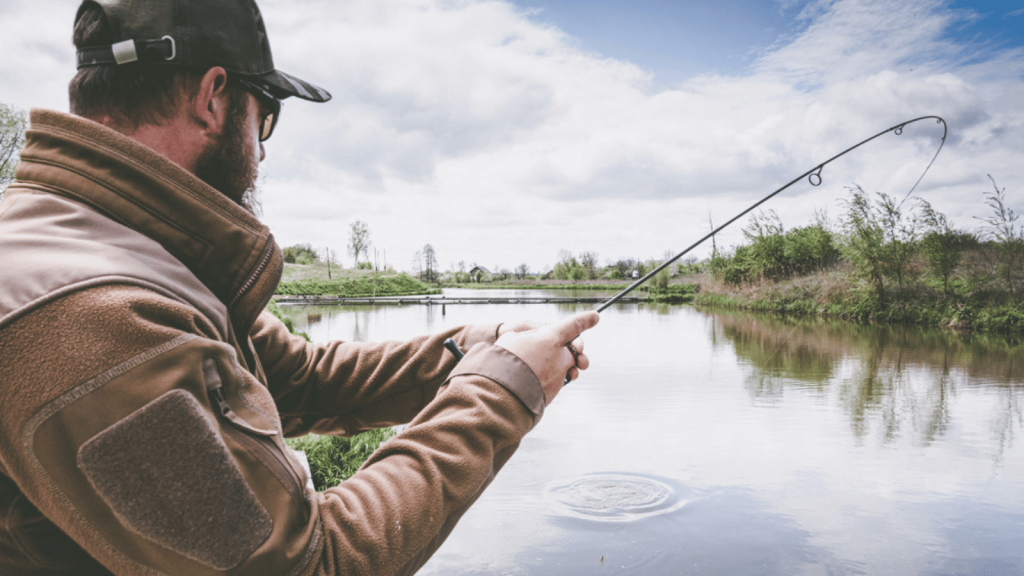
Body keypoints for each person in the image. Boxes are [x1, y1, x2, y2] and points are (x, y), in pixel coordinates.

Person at [0, 0, 599, 574]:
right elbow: (306, 565)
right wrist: (503, 392)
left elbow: (294, 379)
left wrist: (472, 347)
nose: (261, 150)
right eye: (265, 116)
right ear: (214, 98)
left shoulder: (120, 248)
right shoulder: (94, 313)